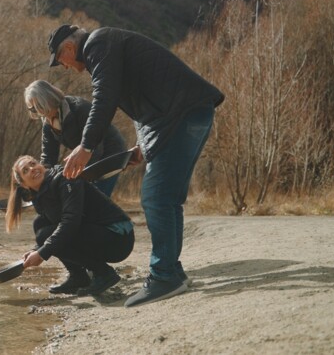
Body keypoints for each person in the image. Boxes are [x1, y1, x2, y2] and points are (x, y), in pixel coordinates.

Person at [47, 24, 224, 307]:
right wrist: (144, 144)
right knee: (169, 199)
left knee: (155, 197)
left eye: (61, 61)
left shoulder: (97, 45)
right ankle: (172, 271)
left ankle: (164, 276)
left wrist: (86, 146)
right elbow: (134, 101)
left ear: (68, 48)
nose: (65, 67)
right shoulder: (105, 47)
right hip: (185, 112)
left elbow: (105, 96)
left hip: (181, 113)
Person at [6, 155, 134, 297]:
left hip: (118, 237)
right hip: (97, 232)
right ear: (24, 184)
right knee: (40, 224)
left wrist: (42, 253)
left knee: (46, 234)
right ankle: (78, 277)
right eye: (26, 170)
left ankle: (103, 273)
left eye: (33, 163)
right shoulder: (38, 194)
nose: (32, 169)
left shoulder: (66, 177)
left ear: (41, 165)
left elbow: (71, 221)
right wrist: (35, 250)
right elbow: (53, 224)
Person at [24, 79, 135, 199]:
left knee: (96, 201)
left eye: (38, 106)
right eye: (33, 109)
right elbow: (48, 156)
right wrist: (42, 183)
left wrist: (80, 177)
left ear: (48, 98)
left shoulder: (80, 108)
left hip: (110, 154)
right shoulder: (47, 123)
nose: (38, 112)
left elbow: (96, 147)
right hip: (89, 156)